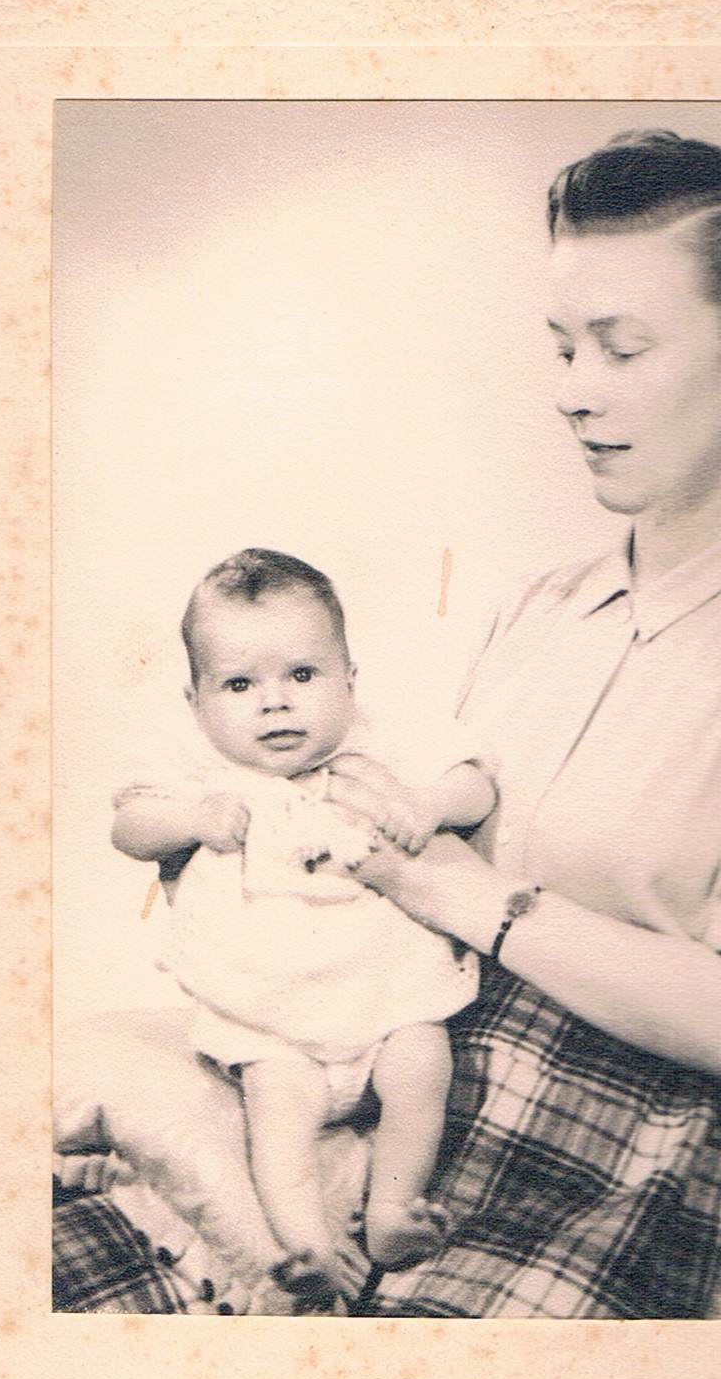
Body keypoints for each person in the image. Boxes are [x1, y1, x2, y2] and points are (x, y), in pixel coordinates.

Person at [323, 130, 721, 1318]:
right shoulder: (534, 612)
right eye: (562, 346)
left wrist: (472, 899)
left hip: (627, 1158)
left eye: (620, 346)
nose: (572, 390)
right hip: (411, 1101)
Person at [110, 548, 496, 1303]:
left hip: (390, 995)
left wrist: (423, 805)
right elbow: (129, 827)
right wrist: (192, 819)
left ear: (350, 677)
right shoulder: (202, 769)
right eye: (239, 684)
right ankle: (307, 1245)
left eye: (303, 674)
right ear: (196, 701)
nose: (275, 704)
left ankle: (391, 1212)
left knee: (422, 1066)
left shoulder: (378, 742)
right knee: (278, 1111)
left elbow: (475, 785)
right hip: (270, 1017)